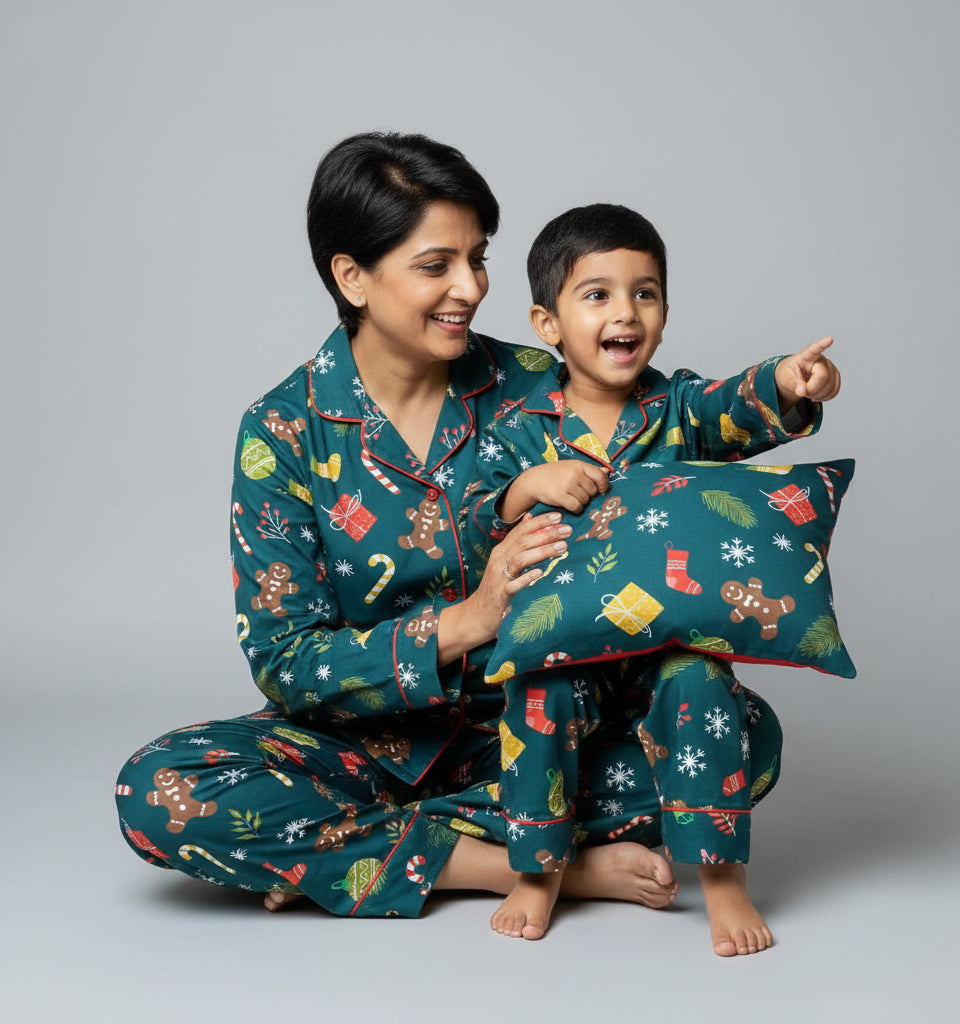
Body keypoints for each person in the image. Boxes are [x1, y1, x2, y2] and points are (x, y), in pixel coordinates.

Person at [115, 134, 698, 928]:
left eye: (478, 258)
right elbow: (286, 662)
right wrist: (471, 620)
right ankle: (519, 865)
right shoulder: (283, 432)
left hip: (531, 733)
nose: (471, 287)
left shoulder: (543, 385)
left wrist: (786, 397)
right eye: (437, 266)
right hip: (360, 747)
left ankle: (342, 855)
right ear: (351, 276)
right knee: (159, 789)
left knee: (733, 736)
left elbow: (672, 432)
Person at [463, 203, 840, 946]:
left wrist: (791, 383)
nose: (625, 312)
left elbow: (739, 405)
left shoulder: (677, 408)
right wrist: (525, 489)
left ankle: (723, 878)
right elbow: (478, 517)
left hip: (668, 638)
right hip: (569, 639)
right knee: (539, 695)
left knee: (701, 684)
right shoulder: (520, 429)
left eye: (645, 292)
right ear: (548, 324)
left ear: (664, 311)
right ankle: (538, 870)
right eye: (596, 294)